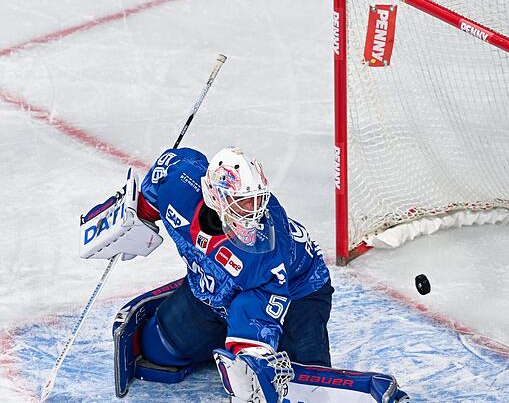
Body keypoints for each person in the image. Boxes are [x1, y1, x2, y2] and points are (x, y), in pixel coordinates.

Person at [82, 146, 333, 401]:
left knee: (306, 387)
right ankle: (220, 335)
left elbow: (256, 313)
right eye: (244, 201)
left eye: (257, 199)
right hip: (210, 291)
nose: (254, 211)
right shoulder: (179, 183)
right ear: (215, 195)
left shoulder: (265, 248)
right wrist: (135, 215)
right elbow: (163, 176)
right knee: (156, 350)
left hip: (297, 293)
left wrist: (249, 361)